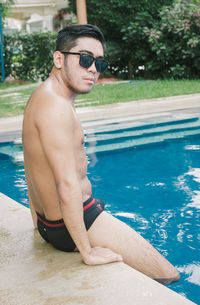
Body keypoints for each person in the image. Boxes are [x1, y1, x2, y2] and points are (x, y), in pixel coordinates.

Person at [22, 24, 180, 285]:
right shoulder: (55, 107)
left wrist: (39, 223)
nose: (93, 69)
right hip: (73, 223)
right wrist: (87, 251)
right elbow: (67, 184)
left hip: (50, 224)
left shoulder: (42, 96)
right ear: (58, 58)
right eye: (85, 59)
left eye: (99, 63)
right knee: (167, 274)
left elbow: (31, 166)